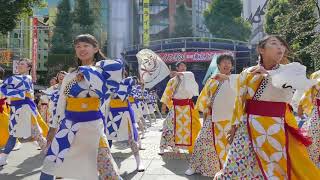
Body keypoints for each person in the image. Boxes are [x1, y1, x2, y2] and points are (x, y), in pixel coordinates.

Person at [214, 35, 320, 179]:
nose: (280, 47)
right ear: (261, 49)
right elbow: (239, 101)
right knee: (235, 168)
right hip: (248, 128)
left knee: (277, 169)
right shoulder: (248, 72)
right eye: (274, 43)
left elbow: (295, 89)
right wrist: (233, 127)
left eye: (282, 45)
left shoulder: (289, 71)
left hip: (276, 128)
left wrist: (268, 74)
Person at [40, 34, 122, 180]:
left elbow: (106, 98)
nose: (81, 49)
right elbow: (62, 100)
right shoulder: (70, 75)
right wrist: (53, 128)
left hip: (93, 125)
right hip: (68, 125)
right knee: (50, 166)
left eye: (86, 45)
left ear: (95, 48)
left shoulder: (105, 72)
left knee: (107, 170)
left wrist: (90, 75)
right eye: (78, 46)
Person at [185, 54, 237, 177]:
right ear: (218, 65)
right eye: (223, 62)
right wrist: (205, 113)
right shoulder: (212, 80)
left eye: (229, 62)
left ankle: (227, 169)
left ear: (232, 66)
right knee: (202, 141)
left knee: (228, 144)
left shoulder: (237, 79)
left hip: (231, 119)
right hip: (212, 117)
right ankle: (194, 166)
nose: (226, 64)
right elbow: (205, 98)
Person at [0, 58, 48, 166]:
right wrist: (10, 89)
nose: (19, 65)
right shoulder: (15, 78)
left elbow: (4, 88)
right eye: (19, 64)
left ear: (28, 68)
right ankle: (3, 158)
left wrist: (8, 88)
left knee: (37, 133)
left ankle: (49, 155)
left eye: (22, 64)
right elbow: (3, 89)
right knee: (13, 134)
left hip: (25, 109)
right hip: (15, 109)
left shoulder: (26, 78)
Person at [159, 62, 201, 155]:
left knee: (192, 127)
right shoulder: (172, 80)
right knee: (168, 126)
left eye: (184, 65)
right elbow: (167, 93)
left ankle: (192, 147)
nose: (183, 67)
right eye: (181, 66)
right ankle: (163, 146)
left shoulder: (189, 76)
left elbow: (190, 76)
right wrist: (164, 105)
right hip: (176, 107)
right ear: (177, 68)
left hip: (188, 107)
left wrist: (177, 74)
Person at [106, 76, 145, 172]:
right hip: (111, 114)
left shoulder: (127, 82)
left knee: (131, 139)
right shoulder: (107, 83)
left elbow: (132, 85)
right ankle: (107, 163)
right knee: (108, 139)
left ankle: (139, 161)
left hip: (124, 113)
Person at [298, 70, 320, 168]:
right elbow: (308, 94)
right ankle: (312, 168)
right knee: (313, 140)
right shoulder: (316, 75)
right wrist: (300, 107)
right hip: (317, 113)